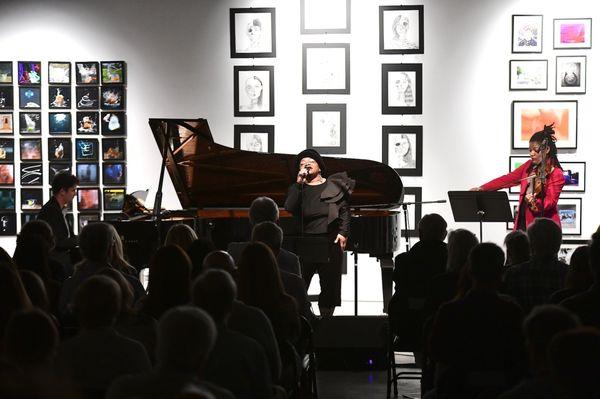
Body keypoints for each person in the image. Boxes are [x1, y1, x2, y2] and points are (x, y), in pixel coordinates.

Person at [284, 149, 354, 316]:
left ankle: (327, 323)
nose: (306, 165)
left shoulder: (334, 185)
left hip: (330, 241)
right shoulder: (297, 187)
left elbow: (344, 210)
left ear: (320, 167)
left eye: (310, 162)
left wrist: (343, 232)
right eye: (302, 164)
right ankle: (302, 319)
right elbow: (289, 207)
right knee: (300, 282)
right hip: (305, 241)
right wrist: (298, 184)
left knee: (329, 284)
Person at [471, 124, 565, 230]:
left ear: (546, 149)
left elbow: (550, 202)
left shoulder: (556, 173)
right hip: (523, 222)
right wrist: (482, 188)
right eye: (530, 150)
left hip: (543, 228)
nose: (531, 154)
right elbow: (507, 179)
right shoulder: (528, 166)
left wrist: (535, 202)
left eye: (535, 150)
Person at [36, 172, 79, 273]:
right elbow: (58, 242)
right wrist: (82, 239)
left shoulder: (59, 210)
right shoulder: (50, 211)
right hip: (56, 267)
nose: (75, 194)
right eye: (73, 190)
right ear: (62, 191)